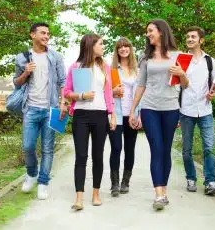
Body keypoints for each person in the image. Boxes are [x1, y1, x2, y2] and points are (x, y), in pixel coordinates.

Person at [129, 19, 189, 210]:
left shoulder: (178, 56)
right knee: (156, 148)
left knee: (166, 149)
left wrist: (181, 73)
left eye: (150, 31)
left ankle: (164, 188)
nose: (148, 34)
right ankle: (159, 194)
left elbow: (185, 85)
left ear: (161, 32)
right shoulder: (145, 57)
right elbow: (141, 85)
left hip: (171, 108)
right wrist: (133, 111)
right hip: (150, 108)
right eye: (147, 32)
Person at [14, 22, 67, 200]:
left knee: (47, 148)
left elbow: (63, 82)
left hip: (50, 109)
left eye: (48, 34)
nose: (46, 36)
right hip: (30, 108)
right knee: (27, 146)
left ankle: (43, 182)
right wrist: (26, 72)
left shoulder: (55, 57)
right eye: (43, 33)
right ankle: (31, 173)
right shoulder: (22, 57)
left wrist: (63, 102)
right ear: (32, 35)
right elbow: (17, 83)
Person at [64, 33, 116, 210]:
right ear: (90, 45)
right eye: (100, 44)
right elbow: (66, 92)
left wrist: (113, 114)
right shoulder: (75, 66)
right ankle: (79, 198)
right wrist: (81, 95)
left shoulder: (105, 67)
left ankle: (96, 194)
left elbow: (108, 94)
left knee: (98, 156)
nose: (103, 47)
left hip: (100, 115)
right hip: (81, 115)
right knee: (81, 156)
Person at [179, 26, 215, 195]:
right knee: (187, 149)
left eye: (193, 37)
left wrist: (214, 92)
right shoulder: (182, 60)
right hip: (186, 110)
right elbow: (177, 84)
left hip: (205, 110)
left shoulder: (210, 60)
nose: (189, 39)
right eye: (188, 36)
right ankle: (191, 178)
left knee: (209, 147)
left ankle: (210, 182)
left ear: (201, 40)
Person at [109, 37, 141, 197]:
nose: (123, 49)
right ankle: (114, 183)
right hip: (116, 114)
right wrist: (112, 92)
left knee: (130, 149)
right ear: (117, 50)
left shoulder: (137, 70)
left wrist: (139, 114)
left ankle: (125, 182)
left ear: (130, 49)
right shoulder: (112, 70)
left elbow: (141, 93)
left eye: (126, 46)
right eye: (120, 47)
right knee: (116, 148)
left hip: (132, 114)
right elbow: (104, 92)